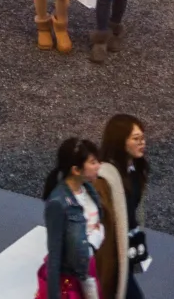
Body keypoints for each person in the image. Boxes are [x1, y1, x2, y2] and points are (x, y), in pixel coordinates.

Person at [94, 116, 151, 299]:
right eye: (136, 138)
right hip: (109, 251)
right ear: (120, 141)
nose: (142, 143)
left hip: (123, 248)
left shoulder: (134, 171)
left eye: (142, 138)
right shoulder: (104, 179)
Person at [41, 137, 104, 299]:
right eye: (93, 162)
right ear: (76, 170)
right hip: (70, 281)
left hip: (87, 271)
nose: (99, 166)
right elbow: (55, 255)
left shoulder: (89, 189)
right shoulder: (58, 203)